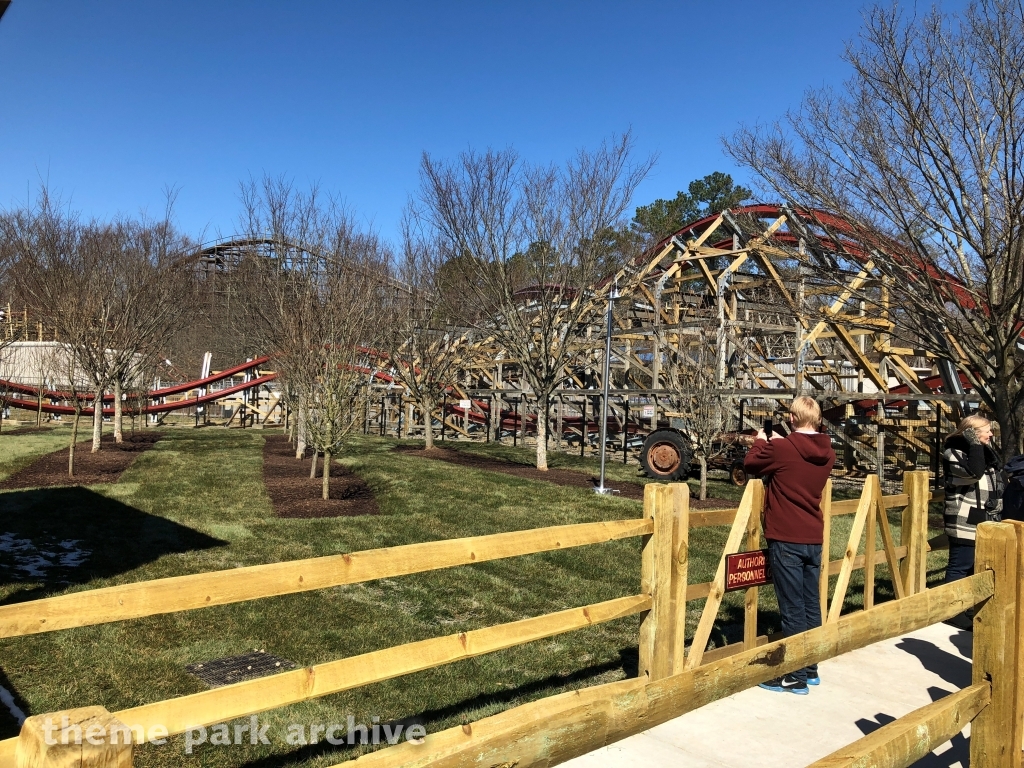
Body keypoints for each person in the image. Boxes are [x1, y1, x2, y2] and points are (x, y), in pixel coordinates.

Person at [744, 396, 836, 695]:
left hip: (787, 536)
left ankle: (793, 675)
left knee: (792, 607)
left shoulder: (781, 448)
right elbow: (797, 456)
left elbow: (751, 465)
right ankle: (810, 668)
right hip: (813, 535)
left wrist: (761, 441)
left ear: (793, 419)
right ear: (818, 420)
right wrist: (780, 442)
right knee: (811, 603)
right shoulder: (828, 452)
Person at [942, 414, 1004, 630]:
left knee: (973, 569)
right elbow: (974, 473)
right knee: (960, 566)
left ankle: (967, 607)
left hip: (982, 520)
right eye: (986, 430)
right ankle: (951, 611)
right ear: (972, 433)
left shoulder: (982, 452)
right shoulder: (954, 453)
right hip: (963, 521)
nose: (991, 434)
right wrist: (976, 445)